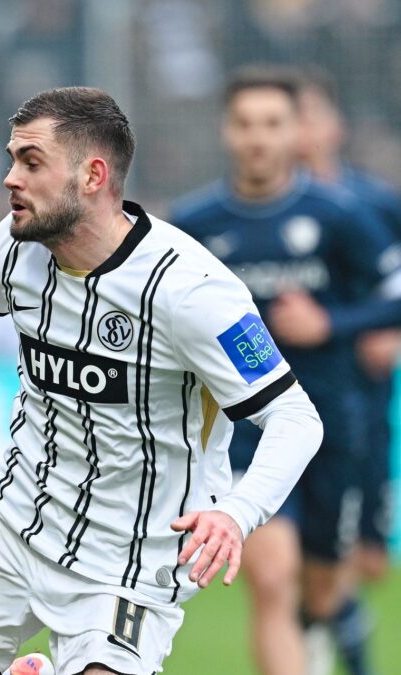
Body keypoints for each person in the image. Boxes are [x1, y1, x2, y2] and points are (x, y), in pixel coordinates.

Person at [0, 86, 323, 675]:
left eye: (31, 163)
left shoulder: (193, 291)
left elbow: (295, 418)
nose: (10, 178)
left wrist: (236, 513)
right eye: (12, 159)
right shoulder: (17, 246)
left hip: (127, 567)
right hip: (12, 524)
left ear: (92, 176)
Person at [170, 66, 400, 675]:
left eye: (272, 124)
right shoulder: (194, 225)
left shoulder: (339, 215)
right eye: (245, 124)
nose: (258, 138)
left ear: (296, 130)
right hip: (243, 430)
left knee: (322, 589)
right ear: (227, 131)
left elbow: (393, 293)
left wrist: (332, 324)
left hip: (333, 426)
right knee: (271, 580)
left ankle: (323, 628)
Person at [284, 68, 401, 675]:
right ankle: (309, 644)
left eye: (305, 115)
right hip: (280, 406)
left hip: (359, 403)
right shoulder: (260, 211)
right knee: (280, 564)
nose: (297, 131)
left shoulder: (375, 203)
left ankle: (335, 639)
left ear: (334, 126)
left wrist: (374, 331)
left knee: (354, 564)